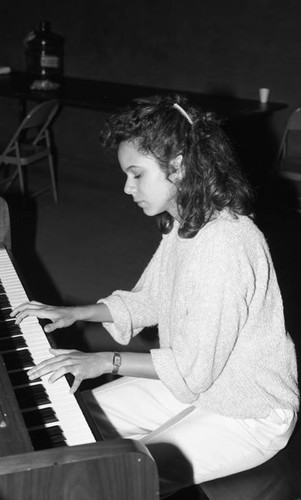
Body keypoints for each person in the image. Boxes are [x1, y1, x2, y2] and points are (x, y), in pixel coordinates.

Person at [11, 95, 299, 498]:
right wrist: (77, 312)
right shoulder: (186, 225)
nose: (127, 188)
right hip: (197, 381)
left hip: (247, 408)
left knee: (114, 479)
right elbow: (149, 300)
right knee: (74, 415)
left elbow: (192, 369)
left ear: (178, 167)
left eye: (136, 174)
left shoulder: (224, 245)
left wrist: (104, 361)